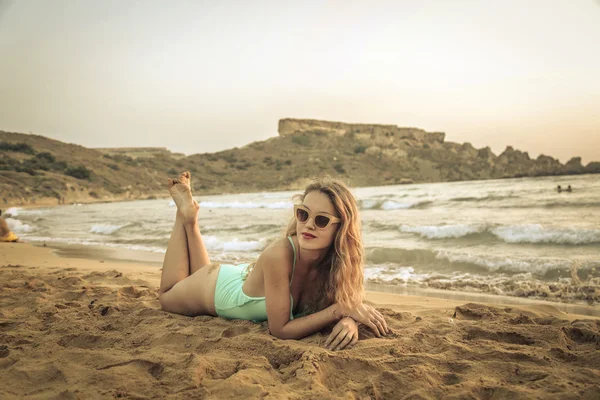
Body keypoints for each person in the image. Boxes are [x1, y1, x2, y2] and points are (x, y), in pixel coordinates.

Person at [159, 172, 389, 350]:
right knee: (167, 297)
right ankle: (185, 217)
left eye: (321, 220)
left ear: (342, 227)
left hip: (240, 278)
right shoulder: (279, 254)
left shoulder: (338, 264)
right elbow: (280, 330)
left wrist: (350, 320)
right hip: (212, 288)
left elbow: (351, 303)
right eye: (303, 214)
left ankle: (190, 221)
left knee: (200, 271)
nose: (308, 224)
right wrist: (340, 311)